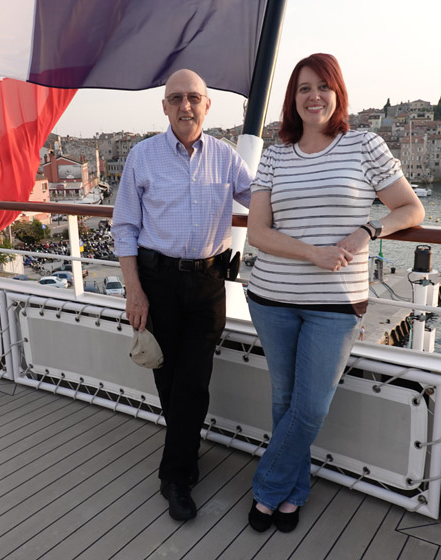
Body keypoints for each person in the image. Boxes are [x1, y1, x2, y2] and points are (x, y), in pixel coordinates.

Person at [245, 53, 424, 533]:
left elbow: (410, 208)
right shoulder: (276, 152)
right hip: (272, 297)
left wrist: (368, 230)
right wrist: (314, 254)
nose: (314, 96)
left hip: (336, 305)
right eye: (304, 88)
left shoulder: (364, 145)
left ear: (338, 93)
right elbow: (258, 233)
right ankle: (292, 494)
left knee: (310, 406)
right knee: (284, 401)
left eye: (323, 86)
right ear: (293, 98)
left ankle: (266, 489)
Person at [112, 69, 252, 521]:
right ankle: (185, 455)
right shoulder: (142, 156)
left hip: (209, 282)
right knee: (167, 379)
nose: (186, 105)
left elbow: (263, 203)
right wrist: (134, 292)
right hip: (158, 282)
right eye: (177, 98)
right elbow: (125, 227)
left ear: (207, 106)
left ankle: (174, 476)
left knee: (193, 380)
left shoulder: (228, 159)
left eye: (194, 98)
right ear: (165, 107)